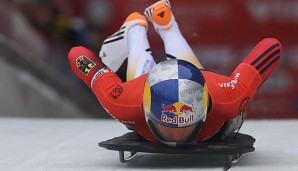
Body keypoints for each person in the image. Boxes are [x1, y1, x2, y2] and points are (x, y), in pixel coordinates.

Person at [68, 0, 282, 146]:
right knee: (147, 79)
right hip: (146, 84)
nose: (177, 139)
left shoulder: (228, 96)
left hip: (202, 83)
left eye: (185, 128)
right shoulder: (125, 101)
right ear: (146, 110)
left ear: (204, 111)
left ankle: (158, 26)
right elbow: (271, 45)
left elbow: (77, 54)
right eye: (169, 129)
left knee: (196, 76)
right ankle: (137, 30)